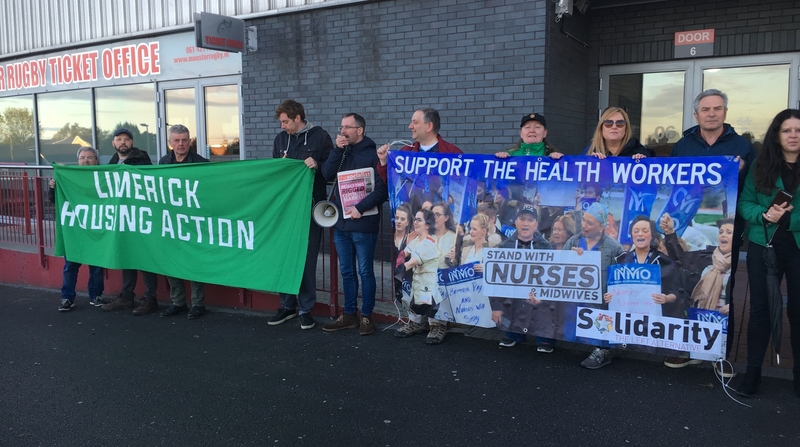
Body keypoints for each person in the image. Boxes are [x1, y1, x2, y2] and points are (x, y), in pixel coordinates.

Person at [670, 89, 756, 369]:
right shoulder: (683, 146)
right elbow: (671, 182)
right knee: (687, 286)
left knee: (726, 293)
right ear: (696, 115)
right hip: (689, 234)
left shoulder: (743, 146)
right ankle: (686, 348)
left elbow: (754, 187)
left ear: (725, 113)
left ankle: (720, 354)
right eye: (705, 109)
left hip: (729, 234)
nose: (711, 114)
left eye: (717, 109)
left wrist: (740, 171)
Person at [736, 108, 800, 398]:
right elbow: (745, 203)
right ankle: (752, 374)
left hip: (797, 247)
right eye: (787, 130)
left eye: (798, 130)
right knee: (760, 311)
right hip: (764, 245)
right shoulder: (761, 165)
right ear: (777, 134)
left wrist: (789, 219)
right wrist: (764, 215)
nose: (793, 135)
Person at [320, 113, 388, 335]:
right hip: (341, 224)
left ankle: (366, 316)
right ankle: (349, 314)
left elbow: (381, 191)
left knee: (365, 271)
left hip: (363, 223)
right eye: (341, 127)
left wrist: (360, 208)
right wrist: (337, 151)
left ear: (360, 130)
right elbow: (325, 174)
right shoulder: (341, 153)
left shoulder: (372, 156)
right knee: (346, 271)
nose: (343, 131)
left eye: (347, 127)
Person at [268, 100, 333, 330]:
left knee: (306, 259)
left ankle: (306, 309)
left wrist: (317, 164)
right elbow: (274, 174)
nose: (283, 126)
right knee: (284, 256)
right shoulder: (280, 140)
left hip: (309, 207)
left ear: (298, 118)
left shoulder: (320, 136)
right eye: (281, 122)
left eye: (286, 121)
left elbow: (330, 169)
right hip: (285, 209)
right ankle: (287, 306)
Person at [661, 215, 735, 372]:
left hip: (725, 315)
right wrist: (669, 233)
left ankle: (721, 358)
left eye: (729, 232)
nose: (723, 235)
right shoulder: (706, 256)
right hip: (700, 311)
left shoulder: (743, 264)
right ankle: (690, 352)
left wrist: (735, 306)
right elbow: (681, 258)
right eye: (721, 231)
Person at [101, 128, 159, 315]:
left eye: (127, 139)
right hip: (123, 218)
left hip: (141, 217)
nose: (123, 142)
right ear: (113, 143)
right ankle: (127, 296)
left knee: (145, 258)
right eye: (119, 139)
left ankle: (151, 298)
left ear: (132, 143)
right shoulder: (112, 162)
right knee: (127, 256)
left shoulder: (142, 160)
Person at [562, 202, 624, 369]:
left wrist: (614, 294)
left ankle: (604, 350)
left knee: (599, 332)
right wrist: (572, 259)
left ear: (602, 226)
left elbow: (621, 279)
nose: (584, 225)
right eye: (583, 220)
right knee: (568, 339)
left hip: (600, 306)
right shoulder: (573, 241)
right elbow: (559, 268)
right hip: (573, 303)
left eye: (589, 223)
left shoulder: (614, 248)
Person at [158, 124, 209, 320]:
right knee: (171, 263)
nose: (181, 144)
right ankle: (177, 302)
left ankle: (198, 304)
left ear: (190, 141)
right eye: (177, 140)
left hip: (194, 222)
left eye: (184, 140)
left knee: (194, 262)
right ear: (170, 142)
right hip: (170, 221)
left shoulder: (201, 163)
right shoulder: (163, 163)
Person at [489, 205, 557, 352]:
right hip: (513, 300)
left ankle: (544, 338)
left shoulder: (546, 247)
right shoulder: (504, 247)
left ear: (536, 225)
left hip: (537, 298)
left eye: (530, 220)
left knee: (544, 307)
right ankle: (514, 335)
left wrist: (543, 299)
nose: (526, 223)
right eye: (522, 219)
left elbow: (554, 280)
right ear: (516, 222)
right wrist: (496, 308)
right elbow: (495, 280)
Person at [50, 147, 105, 311]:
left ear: (96, 161)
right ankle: (67, 298)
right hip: (74, 229)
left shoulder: (103, 177)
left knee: (96, 266)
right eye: (82, 158)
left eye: (90, 157)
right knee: (70, 266)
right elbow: (55, 201)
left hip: (96, 228)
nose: (86, 161)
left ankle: (95, 296)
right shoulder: (68, 178)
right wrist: (53, 188)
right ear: (78, 161)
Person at [606, 216, 685, 318]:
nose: (640, 234)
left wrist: (666, 298)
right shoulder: (621, 261)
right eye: (636, 231)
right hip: (628, 321)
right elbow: (616, 290)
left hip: (656, 321)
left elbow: (677, 291)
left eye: (644, 231)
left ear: (651, 235)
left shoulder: (663, 261)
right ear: (631, 235)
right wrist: (610, 296)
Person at [394, 209, 445, 344]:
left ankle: (436, 327)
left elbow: (411, 262)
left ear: (427, 225)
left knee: (429, 305)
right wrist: (405, 245)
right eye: (415, 219)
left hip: (428, 283)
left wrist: (399, 270)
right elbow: (403, 254)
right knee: (415, 303)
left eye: (419, 220)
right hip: (418, 281)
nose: (415, 222)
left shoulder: (429, 243)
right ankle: (416, 323)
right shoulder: (416, 240)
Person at [375, 107, 463, 177]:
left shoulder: (454, 154)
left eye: (415, 122)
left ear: (429, 126)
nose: (410, 126)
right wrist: (384, 161)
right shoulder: (405, 152)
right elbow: (393, 183)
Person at [584, 107, 653, 159]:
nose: (614, 127)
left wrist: (644, 163)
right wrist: (590, 162)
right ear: (601, 128)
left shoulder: (640, 152)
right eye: (608, 123)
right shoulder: (589, 152)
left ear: (626, 128)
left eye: (620, 123)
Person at [495, 113, 564, 159]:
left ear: (544, 133)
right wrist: (499, 161)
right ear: (521, 133)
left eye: (537, 127)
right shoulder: (510, 155)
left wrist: (561, 162)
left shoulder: (553, 157)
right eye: (527, 127)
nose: (532, 130)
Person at [392, 203, 416, 302]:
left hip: (409, 278)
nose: (398, 221)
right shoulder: (392, 235)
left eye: (402, 219)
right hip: (397, 278)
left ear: (408, 222)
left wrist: (410, 246)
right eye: (397, 218)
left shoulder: (411, 238)